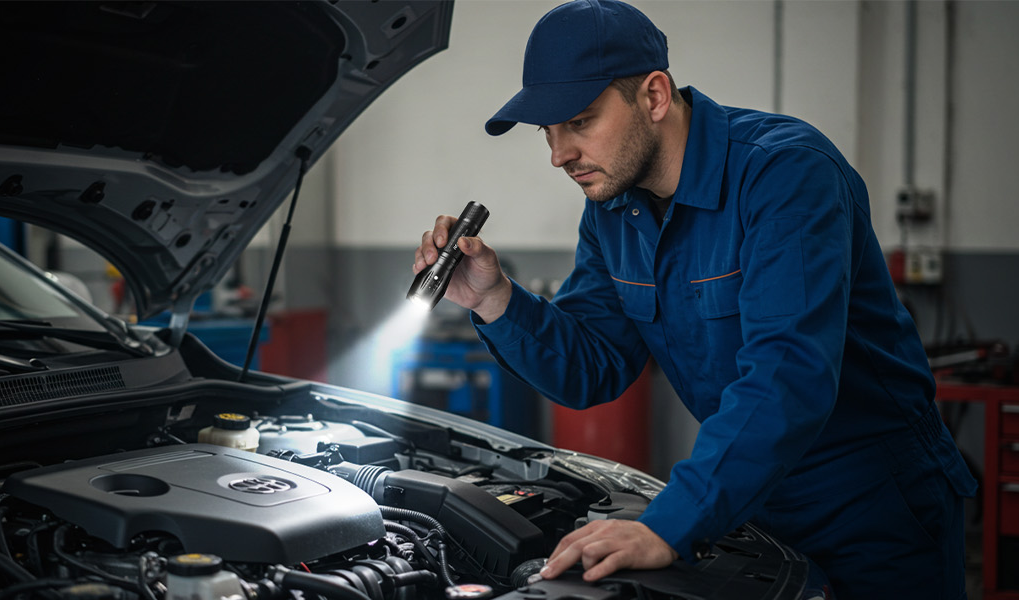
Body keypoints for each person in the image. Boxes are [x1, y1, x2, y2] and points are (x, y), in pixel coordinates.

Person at [411, 1, 978, 597]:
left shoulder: (784, 174)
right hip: (747, 499)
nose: (559, 155)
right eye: (546, 133)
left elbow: (790, 376)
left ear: (654, 96)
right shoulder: (612, 208)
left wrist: (669, 522)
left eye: (580, 121)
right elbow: (593, 368)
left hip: (870, 505)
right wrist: (494, 299)